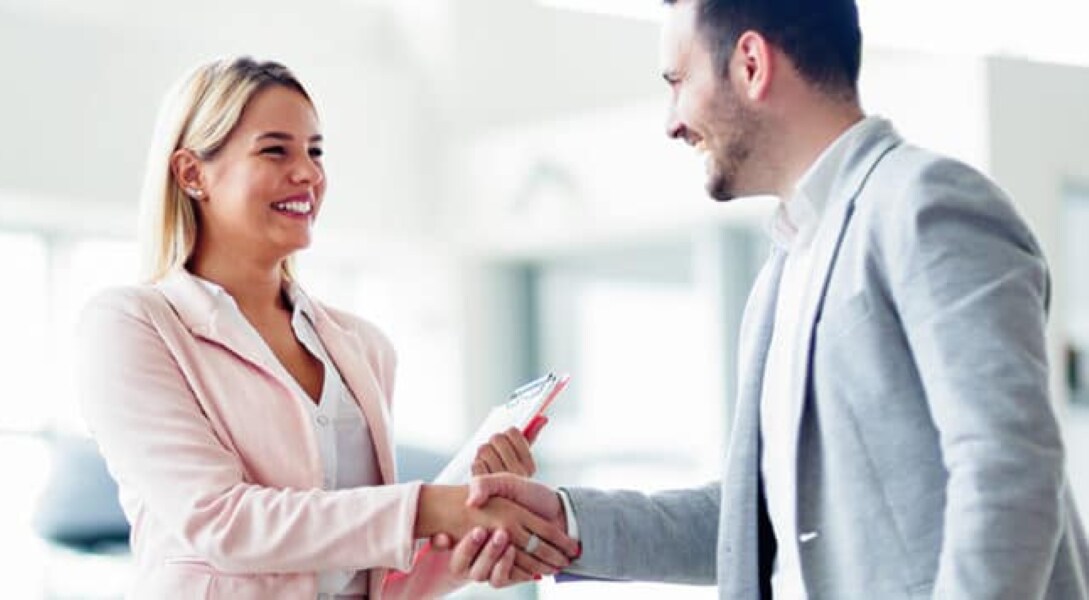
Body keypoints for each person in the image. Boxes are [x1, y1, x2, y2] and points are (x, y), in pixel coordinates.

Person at [460, 0, 1089, 598]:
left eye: (678, 80)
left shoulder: (927, 205)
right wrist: (568, 523)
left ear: (752, 65)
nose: (671, 120)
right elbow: (754, 522)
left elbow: (1008, 472)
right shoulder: (781, 275)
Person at [76, 56, 577, 599]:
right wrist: (432, 507)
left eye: (315, 152)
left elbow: (372, 576)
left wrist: (472, 533)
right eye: (276, 150)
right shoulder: (132, 327)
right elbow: (222, 522)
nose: (308, 174)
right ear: (192, 173)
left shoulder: (363, 347)